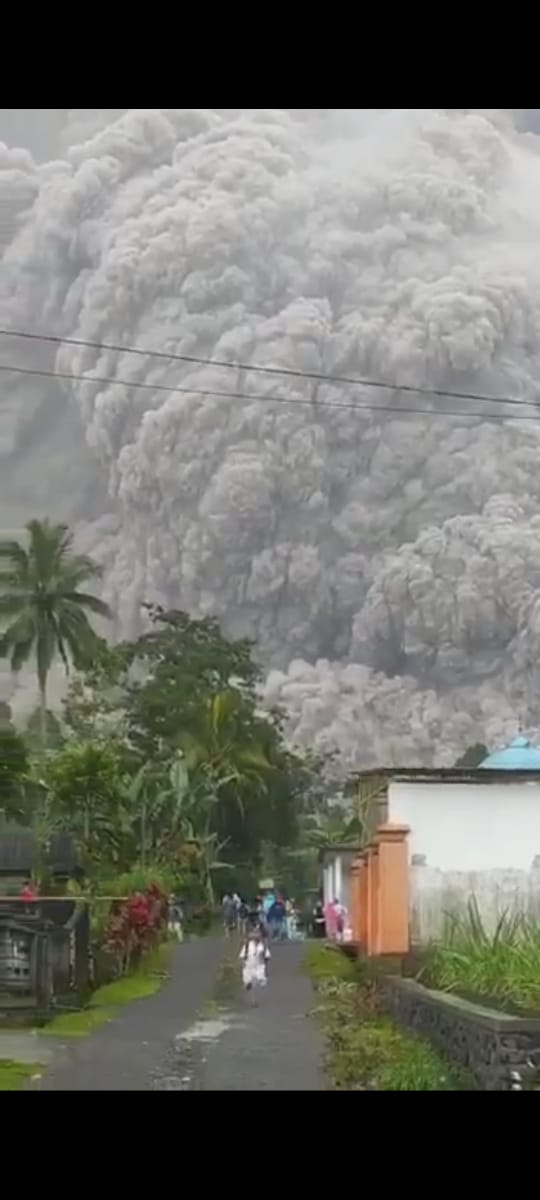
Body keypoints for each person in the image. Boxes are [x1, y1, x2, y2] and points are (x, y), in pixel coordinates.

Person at [239, 926, 271, 1003]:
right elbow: (242, 956)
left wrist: (266, 968)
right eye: (254, 933)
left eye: (258, 933)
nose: (256, 935)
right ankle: (253, 1000)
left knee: (260, 983)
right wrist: (243, 963)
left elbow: (267, 957)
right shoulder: (247, 945)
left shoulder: (263, 946)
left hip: (259, 967)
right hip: (248, 967)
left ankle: (255, 994)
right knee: (249, 984)